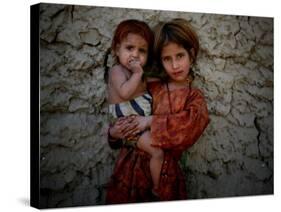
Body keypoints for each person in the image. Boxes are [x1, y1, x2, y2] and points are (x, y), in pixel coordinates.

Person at [106, 18, 210, 204]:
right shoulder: (149, 86)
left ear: (191, 54)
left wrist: (150, 121)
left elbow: (189, 128)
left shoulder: (194, 97)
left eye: (180, 56)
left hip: (163, 175)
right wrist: (113, 133)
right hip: (128, 172)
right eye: (167, 59)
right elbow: (122, 117)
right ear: (159, 60)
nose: (175, 65)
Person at [106, 19, 164, 195]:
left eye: (142, 50)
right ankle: (157, 187)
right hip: (129, 127)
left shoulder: (138, 74)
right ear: (117, 49)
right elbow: (124, 93)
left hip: (137, 126)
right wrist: (138, 73)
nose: (135, 55)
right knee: (157, 153)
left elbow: (149, 84)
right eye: (129, 48)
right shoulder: (117, 71)